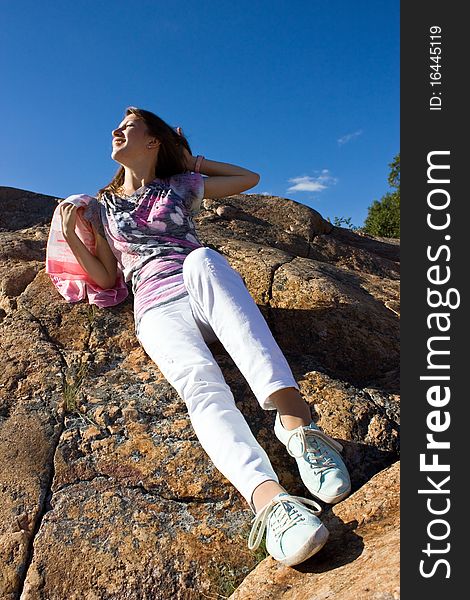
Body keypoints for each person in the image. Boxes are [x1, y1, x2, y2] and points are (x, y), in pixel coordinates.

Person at [57, 107, 351, 567]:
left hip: (202, 285)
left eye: (129, 126)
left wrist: (190, 161)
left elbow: (248, 177)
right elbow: (108, 274)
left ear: (153, 141)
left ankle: (295, 424)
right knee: (199, 386)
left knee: (204, 259)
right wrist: (76, 240)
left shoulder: (181, 186)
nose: (115, 131)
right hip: (154, 304)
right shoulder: (101, 205)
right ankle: (270, 502)